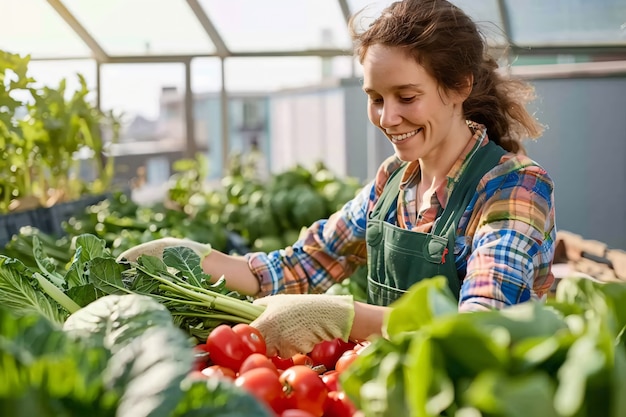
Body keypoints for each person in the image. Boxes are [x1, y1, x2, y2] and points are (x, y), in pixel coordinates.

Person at [118, 0, 556, 358]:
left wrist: (345, 317)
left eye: (407, 96)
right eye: (375, 98)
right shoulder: (393, 182)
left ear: (460, 85)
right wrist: (189, 258)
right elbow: (300, 267)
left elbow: (479, 332)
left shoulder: (513, 189)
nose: (387, 118)